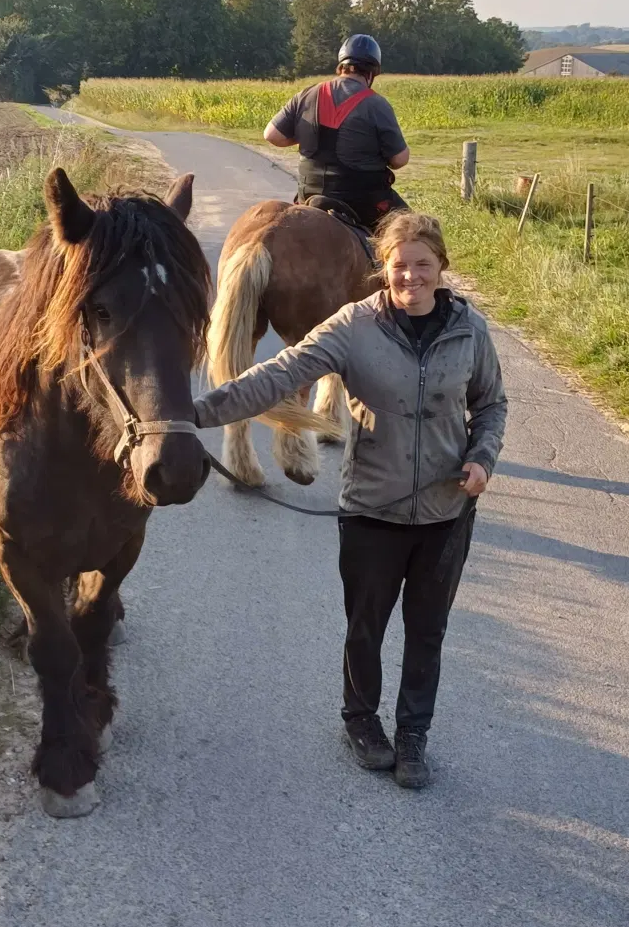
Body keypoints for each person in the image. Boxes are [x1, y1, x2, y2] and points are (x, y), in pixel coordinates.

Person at [194, 212, 508, 789]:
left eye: (422, 265)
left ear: (441, 268)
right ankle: (361, 721)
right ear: (380, 269)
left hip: (445, 510)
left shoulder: (470, 331)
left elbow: (491, 404)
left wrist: (482, 458)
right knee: (365, 625)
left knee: (427, 630)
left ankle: (414, 735)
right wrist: (193, 413)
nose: (410, 276)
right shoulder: (353, 325)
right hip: (372, 507)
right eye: (399, 265)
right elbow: (278, 373)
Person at [264, 34, 411, 230]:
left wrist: (306, 136)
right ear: (372, 72)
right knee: (418, 233)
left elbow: (272, 135)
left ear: (341, 66)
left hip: (309, 195)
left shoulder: (306, 94)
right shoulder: (376, 104)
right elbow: (400, 160)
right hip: (361, 203)